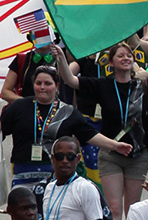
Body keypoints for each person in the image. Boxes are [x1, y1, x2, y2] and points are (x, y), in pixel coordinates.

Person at [54, 43, 148, 220]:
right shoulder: (104, 84)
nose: (126, 58)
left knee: (133, 208)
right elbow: (71, 80)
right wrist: (61, 58)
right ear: (111, 62)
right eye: (120, 56)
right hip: (110, 154)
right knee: (114, 207)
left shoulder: (142, 84)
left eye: (129, 56)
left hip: (138, 154)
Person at [1, 64, 131, 188]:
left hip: (56, 176)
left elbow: (89, 134)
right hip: (23, 174)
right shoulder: (19, 107)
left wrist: (115, 146)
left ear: (57, 86)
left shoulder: (68, 112)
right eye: (38, 83)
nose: (42, 87)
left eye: (48, 83)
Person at [41, 137, 104, 220]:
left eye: (70, 156)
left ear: (78, 159)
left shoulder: (85, 188)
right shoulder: (49, 188)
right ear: (53, 158)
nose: (65, 161)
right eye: (60, 156)